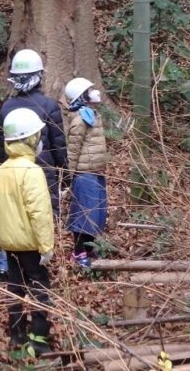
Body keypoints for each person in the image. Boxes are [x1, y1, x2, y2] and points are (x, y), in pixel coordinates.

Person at [0, 49, 67, 280]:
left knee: (12, 215)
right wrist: (65, 173)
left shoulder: (7, 107)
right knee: (42, 215)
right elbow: (58, 145)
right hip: (44, 172)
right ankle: (38, 268)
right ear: (40, 75)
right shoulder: (49, 105)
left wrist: (3, 167)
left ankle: (7, 266)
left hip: (12, 171)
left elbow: (2, 145)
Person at [0, 107, 54, 356]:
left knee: (15, 288)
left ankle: (16, 336)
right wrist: (46, 247)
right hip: (30, 244)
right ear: (29, 139)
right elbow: (40, 213)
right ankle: (38, 339)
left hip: (10, 244)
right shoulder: (32, 172)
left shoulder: (1, 171)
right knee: (40, 289)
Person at [64, 78, 110, 268]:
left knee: (96, 213)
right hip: (84, 175)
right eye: (88, 91)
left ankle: (89, 248)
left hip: (96, 172)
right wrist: (68, 176)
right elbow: (73, 151)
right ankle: (78, 251)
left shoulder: (91, 115)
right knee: (83, 215)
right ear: (81, 97)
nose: (94, 93)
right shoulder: (80, 119)